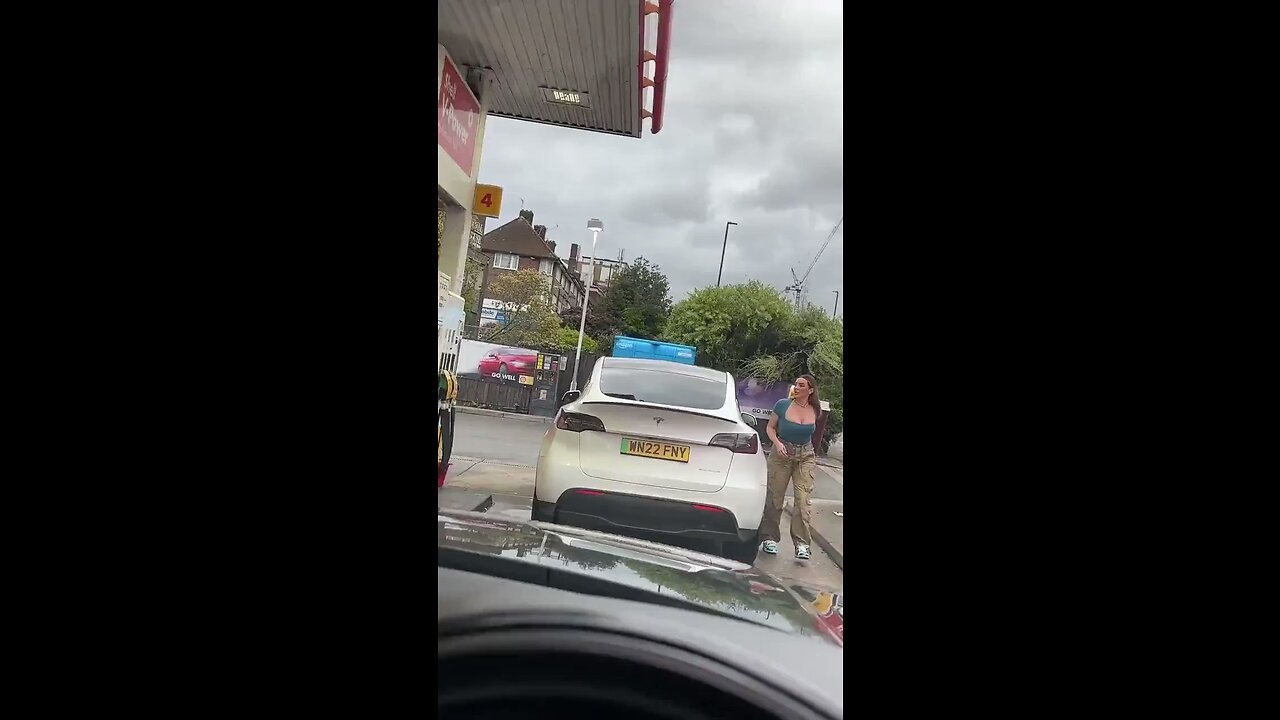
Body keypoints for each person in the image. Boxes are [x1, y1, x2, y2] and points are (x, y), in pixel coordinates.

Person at [759, 374, 820, 559]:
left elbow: (813, 435)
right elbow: (770, 428)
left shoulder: (815, 409)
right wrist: (778, 444)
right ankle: (769, 537)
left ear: (810, 390)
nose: (797, 387)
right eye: (796, 384)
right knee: (775, 498)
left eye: (801, 385)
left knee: (802, 501)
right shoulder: (783, 405)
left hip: (805, 456)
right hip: (782, 454)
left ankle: (802, 544)